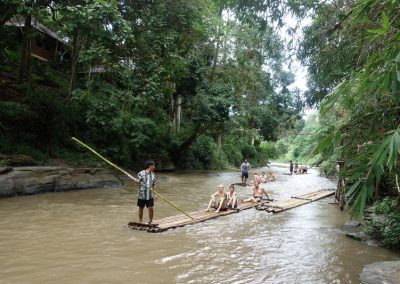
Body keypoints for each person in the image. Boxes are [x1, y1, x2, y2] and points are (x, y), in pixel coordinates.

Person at [135, 160, 157, 224]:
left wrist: (155, 194)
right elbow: (136, 183)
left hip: (149, 195)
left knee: (151, 208)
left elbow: (154, 185)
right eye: (153, 165)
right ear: (150, 166)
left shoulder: (153, 175)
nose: (154, 167)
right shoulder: (141, 173)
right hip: (141, 195)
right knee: (141, 208)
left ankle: (150, 221)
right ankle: (140, 221)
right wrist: (135, 181)